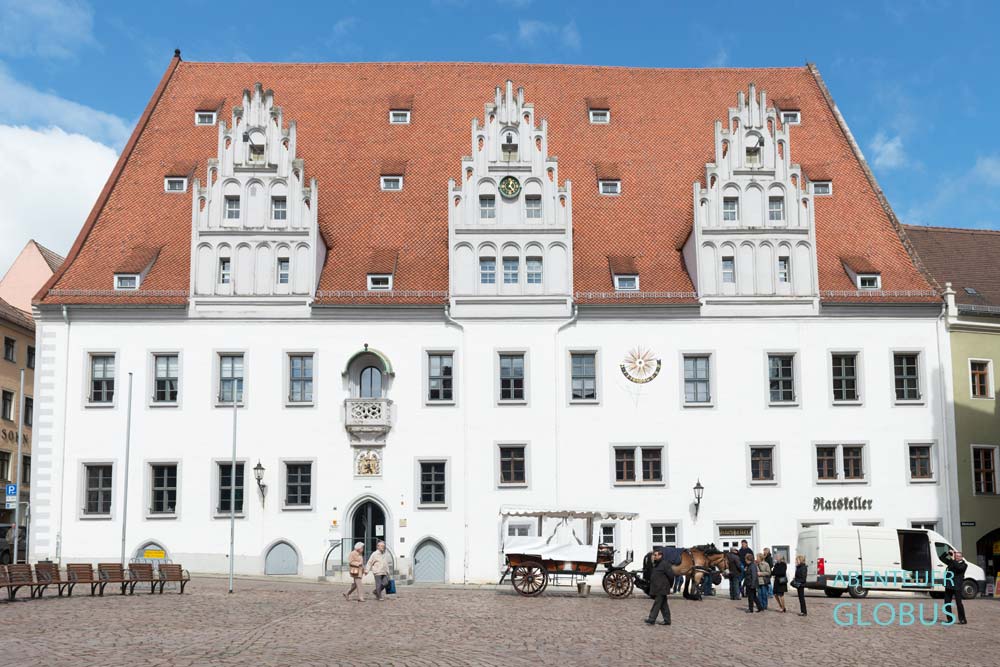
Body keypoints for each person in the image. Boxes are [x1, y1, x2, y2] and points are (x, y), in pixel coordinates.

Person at [644, 549, 673, 626]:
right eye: (654, 555)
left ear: (660, 555)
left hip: (662, 588)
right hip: (657, 587)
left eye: (655, 555)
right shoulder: (656, 564)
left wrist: (669, 586)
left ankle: (651, 619)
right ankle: (667, 620)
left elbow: (671, 576)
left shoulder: (665, 564)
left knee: (657, 604)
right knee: (664, 605)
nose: (654, 556)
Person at [942, 549, 968, 625]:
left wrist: (953, 559)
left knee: (959, 603)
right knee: (947, 603)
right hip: (949, 585)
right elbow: (942, 558)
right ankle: (949, 619)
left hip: (957, 586)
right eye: (955, 556)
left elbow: (958, 568)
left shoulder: (964, 565)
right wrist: (948, 553)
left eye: (958, 556)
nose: (956, 557)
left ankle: (963, 619)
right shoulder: (952, 562)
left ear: (961, 557)